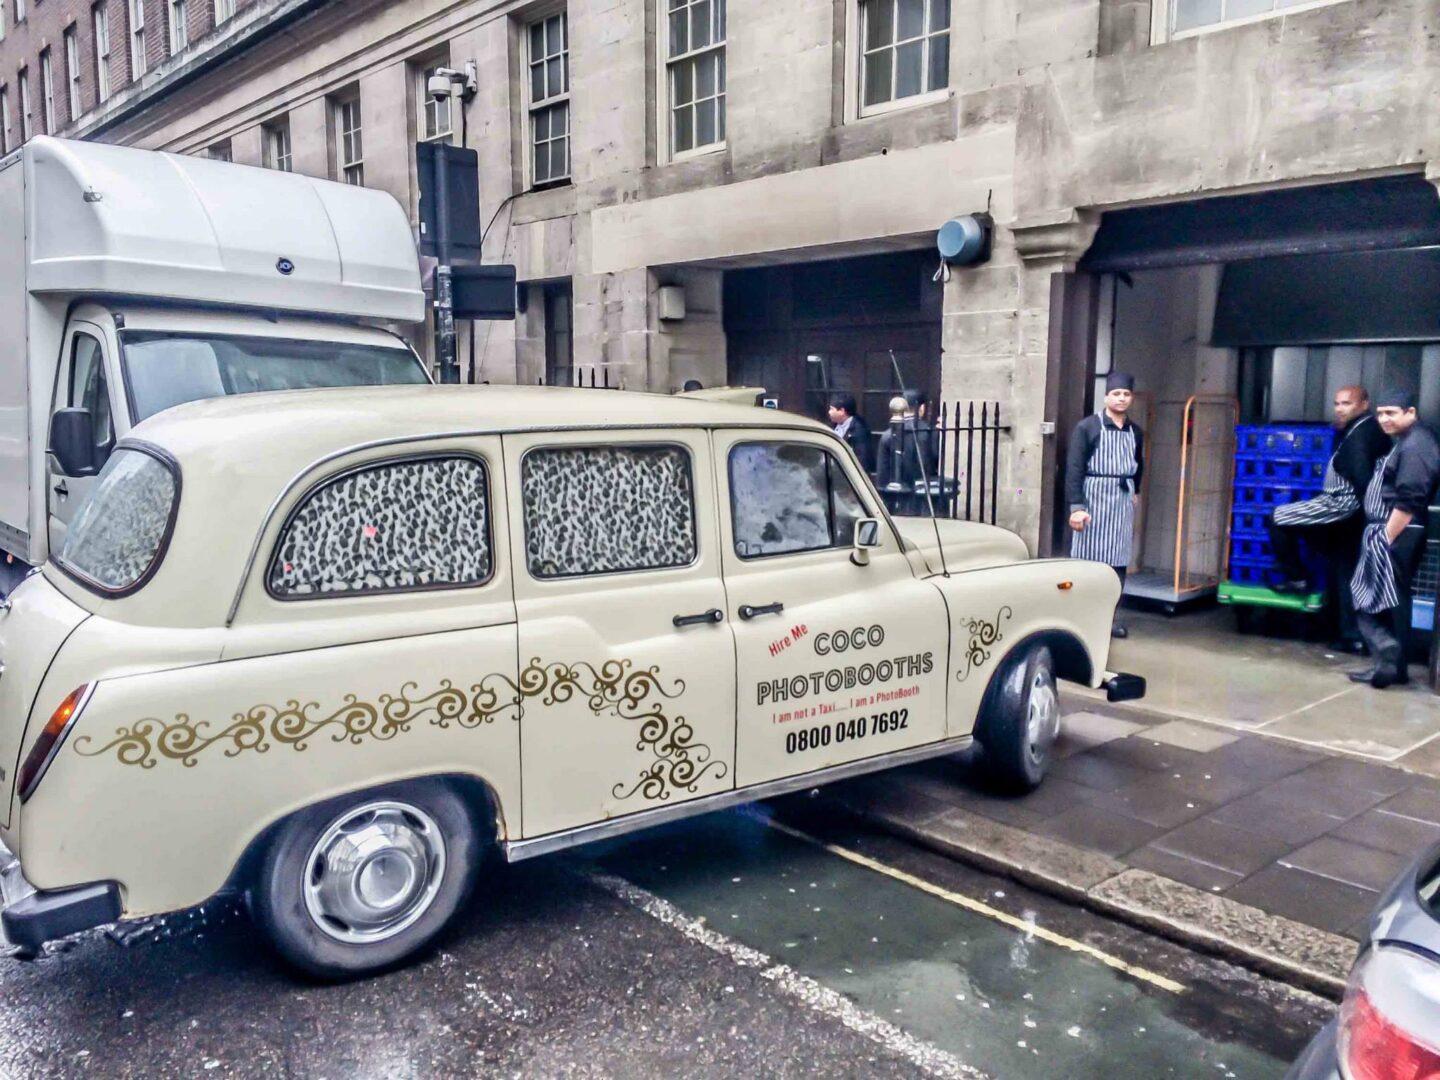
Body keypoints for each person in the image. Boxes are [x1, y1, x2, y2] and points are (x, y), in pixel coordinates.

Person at [1267, 386, 1391, 652]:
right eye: (1337, 404)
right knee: (1344, 572)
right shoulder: (1361, 429)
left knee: (1277, 518)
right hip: (1351, 514)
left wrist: (1368, 519)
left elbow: (1362, 479)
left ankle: (1298, 578)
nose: (1339, 409)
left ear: (1364, 404)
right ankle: (1350, 635)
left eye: (1347, 403)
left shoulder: (1360, 435)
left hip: (1343, 506)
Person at [1348, 388, 1440, 689]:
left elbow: (1409, 500)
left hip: (1398, 531)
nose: (1384, 419)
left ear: (1411, 413)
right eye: (1380, 413)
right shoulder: (1409, 441)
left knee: (1373, 596)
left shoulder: (1416, 445)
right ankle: (1390, 663)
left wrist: (1385, 537)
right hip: (1393, 530)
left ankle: (1389, 654)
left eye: (1391, 413)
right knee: (1388, 598)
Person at [1065, 372, 1145, 639]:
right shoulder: (1088, 427)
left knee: (1117, 564)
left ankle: (1109, 619)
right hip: (1094, 501)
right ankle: (1081, 620)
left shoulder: (1135, 432)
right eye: (1116, 394)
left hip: (1122, 502)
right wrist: (1076, 506)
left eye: (1126, 394)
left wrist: (1136, 490)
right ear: (1106, 397)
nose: (1121, 398)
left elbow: (1139, 464)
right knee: (1089, 563)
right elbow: (1074, 468)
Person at [876, 393, 939, 515]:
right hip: (925, 496)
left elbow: (882, 474)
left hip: (897, 498)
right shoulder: (931, 432)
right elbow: (937, 461)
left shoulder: (888, 435)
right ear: (922, 408)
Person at [827, 393, 874, 472]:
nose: (829, 412)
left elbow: (862, 460)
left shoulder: (859, 431)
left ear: (842, 411)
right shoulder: (833, 425)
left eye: (832, 409)